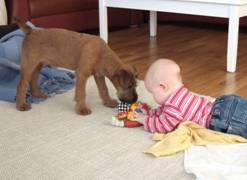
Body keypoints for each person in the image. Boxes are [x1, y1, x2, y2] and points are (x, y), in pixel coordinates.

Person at [134, 58, 247, 139]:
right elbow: (164, 112)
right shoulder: (180, 94)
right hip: (225, 103)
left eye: (152, 92)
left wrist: (144, 120)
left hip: (222, 118)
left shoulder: (173, 106)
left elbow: (163, 125)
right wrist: (150, 113)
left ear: (163, 87)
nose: (152, 97)